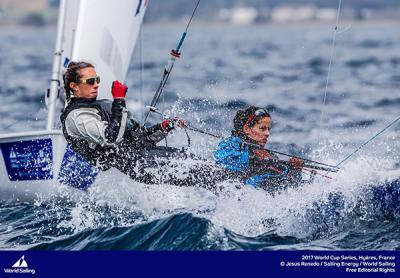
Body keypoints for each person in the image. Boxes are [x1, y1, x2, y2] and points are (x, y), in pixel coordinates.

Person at [60, 61, 187, 182]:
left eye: (97, 80)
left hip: (145, 154)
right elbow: (111, 137)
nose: (96, 84)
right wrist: (119, 99)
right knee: (201, 171)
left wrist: (164, 128)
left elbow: (139, 139)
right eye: (90, 81)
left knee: (200, 164)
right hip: (139, 164)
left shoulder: (97, 107)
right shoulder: (77, 117)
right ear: (74, 86)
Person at [214, 106, 305, 193]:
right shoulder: (231, 144)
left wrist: (294, 169)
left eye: (268, 129)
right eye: (262, 129)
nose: (267, 133)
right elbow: (222, 158)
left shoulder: (270, 155)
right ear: (247, 129)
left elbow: (289, 183)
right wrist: (252, 157)